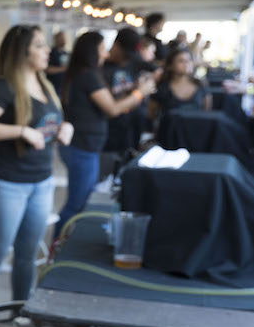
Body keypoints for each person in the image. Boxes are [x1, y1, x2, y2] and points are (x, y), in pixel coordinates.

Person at [0, 25, 73, 327]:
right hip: (9, 183)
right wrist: (20, 131)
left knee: (27, 256)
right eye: (39, 45)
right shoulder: (3, 86)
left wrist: (66, 127)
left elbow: (50, 122)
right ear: (22, 51)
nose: (47, 51)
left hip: (42, 181)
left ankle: (21, 316)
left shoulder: (45, 84)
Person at [55, 32, 155, 235]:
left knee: (81, 199)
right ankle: (58, 247)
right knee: (78, 204)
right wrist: (139, 93)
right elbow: (112, 109)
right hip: (82, 147)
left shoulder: (85, 73)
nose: (106, 53)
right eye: (102, 49)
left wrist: (132, 92)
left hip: (84, 146)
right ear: (92, 52)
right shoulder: (88, 75)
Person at [101, 28, 148, 173]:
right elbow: (110, 107)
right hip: (108, 133)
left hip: (130, 129)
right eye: (126, 54)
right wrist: (139, 93)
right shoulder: (101, 67)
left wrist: (137, 86)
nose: (127, 59)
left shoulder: (133, 62)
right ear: (116, 45)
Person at [149, 49, 212, 120]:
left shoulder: (201, 85)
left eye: (188, 60)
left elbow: (207, 114)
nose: (186, 63)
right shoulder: (162, 88)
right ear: (170, 66)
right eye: (181, 61)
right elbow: (152, 115)